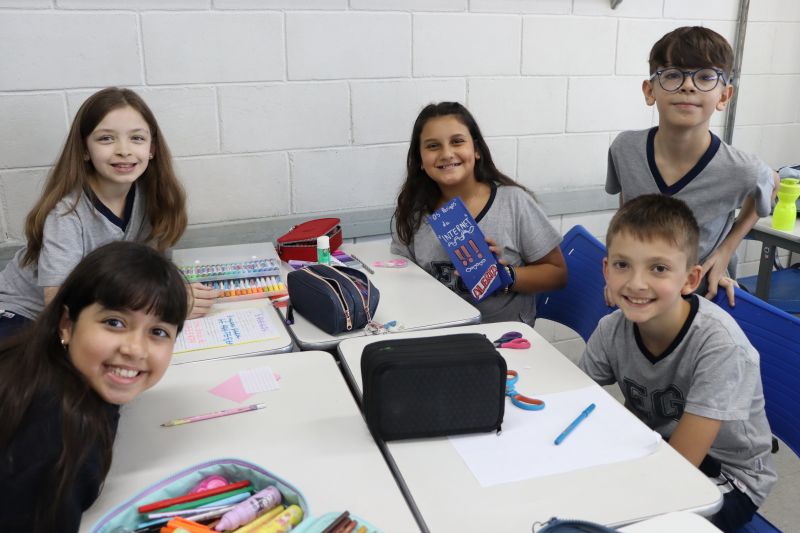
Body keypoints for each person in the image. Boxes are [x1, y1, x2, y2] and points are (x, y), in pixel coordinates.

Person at [579, 194, 776, 532]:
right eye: (622, 265)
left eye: (658, 268)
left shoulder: (720, 346)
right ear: (606, 269)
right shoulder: (611, 329)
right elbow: (575, 401)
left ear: (690, 279)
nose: (636, 283)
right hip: (657, 449)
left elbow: (679, 470)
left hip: (727, 477)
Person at [0, 240, 189, 532]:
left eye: (158, 331)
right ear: (67, 324)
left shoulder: (41, 361)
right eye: (115, 323)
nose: (135, 349)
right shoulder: (57, 435)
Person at [0, 87, 218, 338]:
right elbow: (59, 305)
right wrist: (161, 305)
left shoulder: (154, 199)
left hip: (93, 315)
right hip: (24, 313)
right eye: (106, 139)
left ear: (152, 149)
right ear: (84, 149)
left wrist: (174, 295)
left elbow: (155, 274)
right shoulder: (66, 214)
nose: (124, 150)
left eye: (137, 138)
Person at [606, 26, 778, 305]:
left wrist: (726, 250)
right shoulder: (625, 149)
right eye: (672, 75)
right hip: (639, 292)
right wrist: (619, 272)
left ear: (724, 96)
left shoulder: (741, 168)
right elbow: (627, 213)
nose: (688, 85)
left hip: (701, 296)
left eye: (705, 77)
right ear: (649, 91)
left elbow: (772, 183)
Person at [391, 102, 567, 324]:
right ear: (420, 161)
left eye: (457, 141)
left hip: (504, 334)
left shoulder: (514, 202)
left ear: (476, 150)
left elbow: (558, 274)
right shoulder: (412, 212)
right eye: (433, 146)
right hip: (436, 330)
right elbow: (400, 275)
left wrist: (505, 275)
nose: (446, 153)